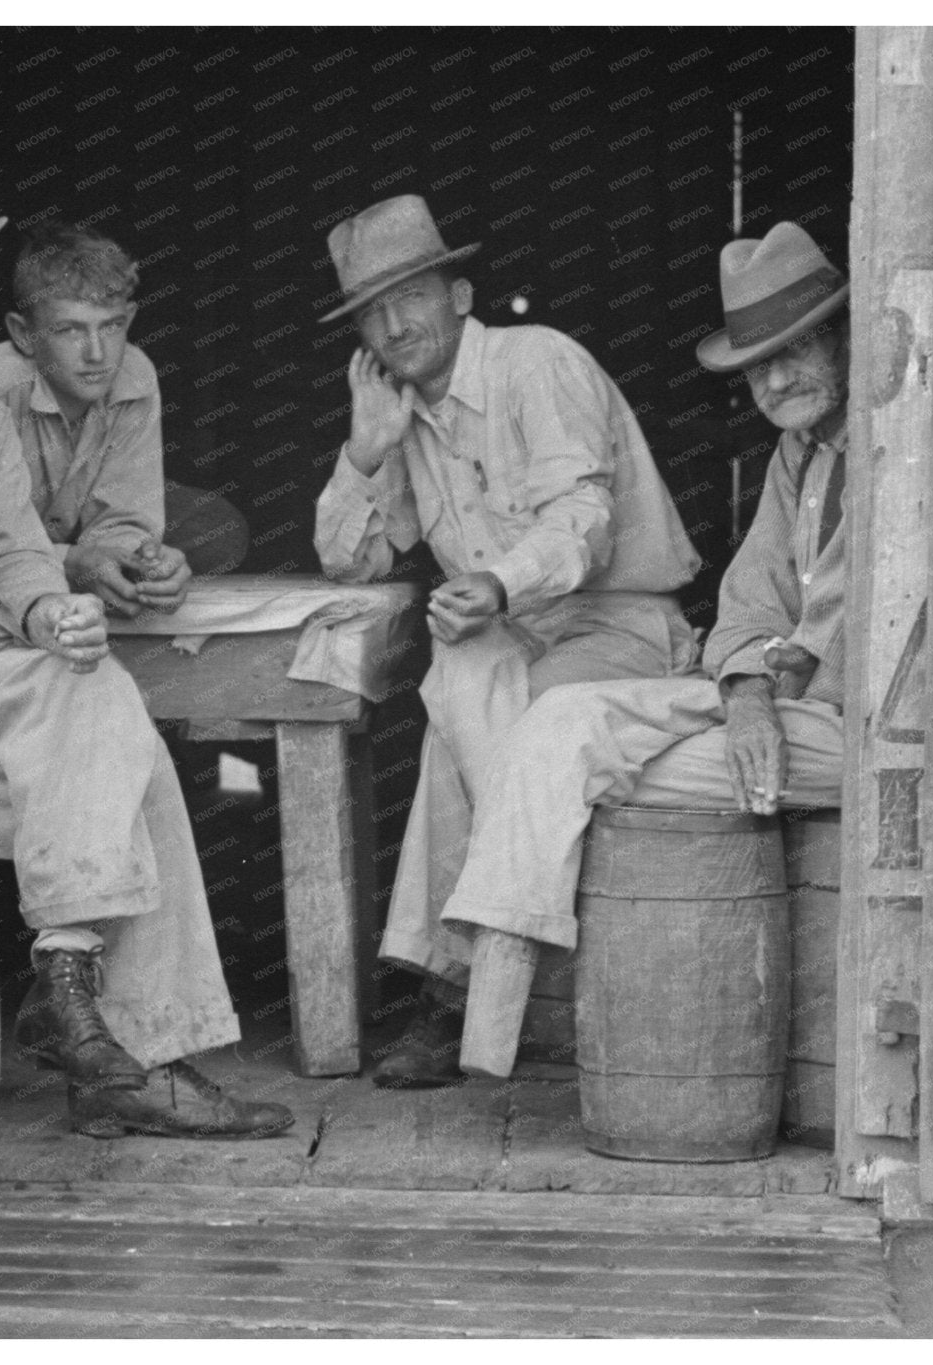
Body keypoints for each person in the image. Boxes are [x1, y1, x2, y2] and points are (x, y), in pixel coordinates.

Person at [0, 152, 291, 1139]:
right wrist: (31, 629)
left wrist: (52, 614)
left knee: (102, 713)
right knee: (124, 761)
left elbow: (15, 554)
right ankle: (133, 1051)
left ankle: (70, 1001)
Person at [310, 194, 705, 1087]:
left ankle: (455, 991)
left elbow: (584, 520)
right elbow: (353, 560)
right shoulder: (406, 414)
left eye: (410, 294)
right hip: (520, 640)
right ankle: (483, 973)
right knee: (461, 683)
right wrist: (365, 451)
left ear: (460, 294)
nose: (392, 322)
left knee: (474, 707)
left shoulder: (537, 362)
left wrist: (496, 583)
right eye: (372, 311)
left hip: (623, 627)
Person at [441, 221, 853, 1074]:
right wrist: (744, 696)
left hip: (860, 726)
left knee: (576, 774)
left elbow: (836, 631)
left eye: (796, 350)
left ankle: (516, 1017)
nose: (775, 380)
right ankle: (493, 1006)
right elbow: (745, 604)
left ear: (845, 334)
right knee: (557, 720)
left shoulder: (892, 446)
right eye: (755, 366)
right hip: (780, 706)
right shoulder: (797, 452)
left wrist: (755, 694)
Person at [0, 220, 250, 612]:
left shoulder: (134, 371)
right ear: (23, 333)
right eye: (69, 330)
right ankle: (52, 581)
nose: (97, 353)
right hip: (1, 537)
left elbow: (128, 513)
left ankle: (99, 575)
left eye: (110, 327)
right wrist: (69, 561)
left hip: (80, 520)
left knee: (218, 530)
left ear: (128, 319)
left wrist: (139, 558)